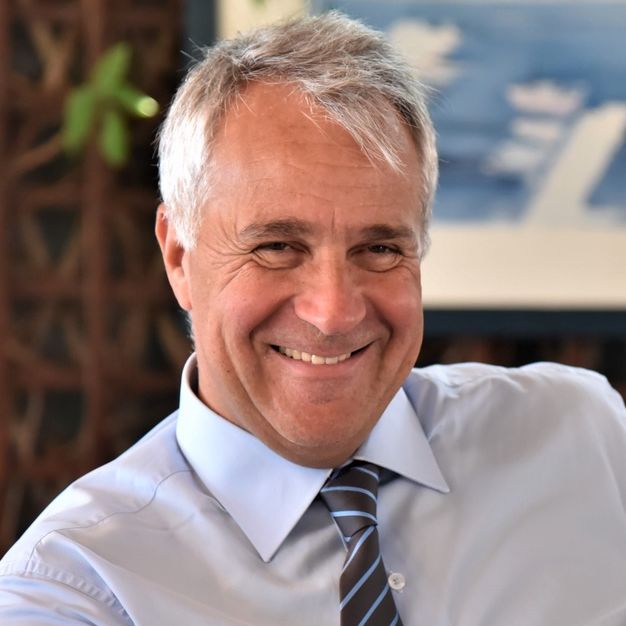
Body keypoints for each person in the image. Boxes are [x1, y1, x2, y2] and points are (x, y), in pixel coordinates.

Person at [1, 11, 626, 626]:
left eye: (379, 248)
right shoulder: (74, 590)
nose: (333, 312)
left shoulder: (583, 439)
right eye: (277, 247)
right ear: (179, 258)